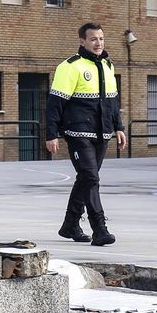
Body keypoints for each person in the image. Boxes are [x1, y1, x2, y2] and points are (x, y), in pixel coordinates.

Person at [45, 22, 126, 246]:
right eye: (93, 39)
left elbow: (112, 101)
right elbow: (54, 103)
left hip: (102, 133)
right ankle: (99, 228)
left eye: (101, 38)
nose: (98, 43)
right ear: (82, 41)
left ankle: (70, 224)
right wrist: (51, 134)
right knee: (91, 178)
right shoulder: (70, 66)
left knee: (86, 179)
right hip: (78, 132)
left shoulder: (108, 65)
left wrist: (119, 127)